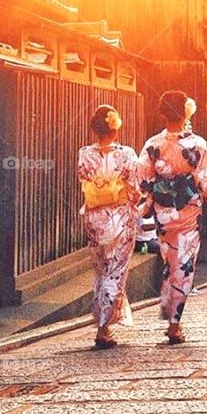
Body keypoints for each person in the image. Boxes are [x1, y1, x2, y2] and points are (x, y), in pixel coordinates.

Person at [138, 91, 207, 345]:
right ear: (186, 113)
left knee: (169, 258)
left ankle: (168, 303)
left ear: (162, 114)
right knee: (184, 261)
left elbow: (143, 179)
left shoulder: (153, 144)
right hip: (188, 210)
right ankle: (174, 323)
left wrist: (149, 199)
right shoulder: (196, 144)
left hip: (165, 212)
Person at [78, 103, 140, 349]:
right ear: (116, 127)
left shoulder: (84, 153)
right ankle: (104, 328)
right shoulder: (127, 154)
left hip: (93, 216)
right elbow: (135, 186)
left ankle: (102, 321)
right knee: (116, 270)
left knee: (101, 268)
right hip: (119, 215)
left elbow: (83, 177)